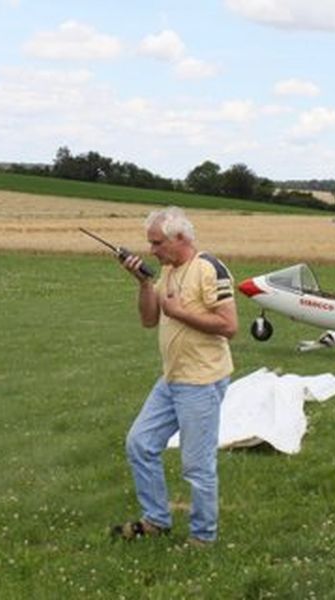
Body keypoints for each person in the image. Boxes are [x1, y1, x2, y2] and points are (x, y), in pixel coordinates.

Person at [112, 206, 237, 546]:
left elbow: (229, 326)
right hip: (171, 379)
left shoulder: (209, 268)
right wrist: (143, 283)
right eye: (150, 243)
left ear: (180, 237)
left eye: (157, 243)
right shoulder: (167, 271)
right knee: (140, 443)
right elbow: (149, 319)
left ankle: (203, 538)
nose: (151, 250)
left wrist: (180, 312)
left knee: (197, 466)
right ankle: (156, 521)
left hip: (201, 382)